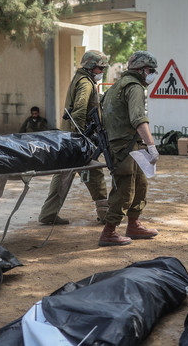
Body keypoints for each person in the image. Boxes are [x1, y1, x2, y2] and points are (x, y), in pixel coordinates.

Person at [37, 50, 109, 225]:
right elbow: (79, 110)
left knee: (63, 175)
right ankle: (105, 213)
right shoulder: (86, 83)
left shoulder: (80, 79)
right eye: (100, 68)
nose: (102, 72)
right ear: (92, 67)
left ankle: (48, 214)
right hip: (78, 139)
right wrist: (81, 139)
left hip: (69, 137)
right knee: (95, 172)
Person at [98, 51, 160, 246]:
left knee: (141, 184)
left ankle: (134, 224)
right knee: (125, 189)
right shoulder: (133, 88)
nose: (152, 74)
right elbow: (138, 119)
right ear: (141, 70)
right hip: (124, 147)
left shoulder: (116, 86)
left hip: (127, 144)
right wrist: (151, 145)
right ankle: (109, 232)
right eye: (150, 70)